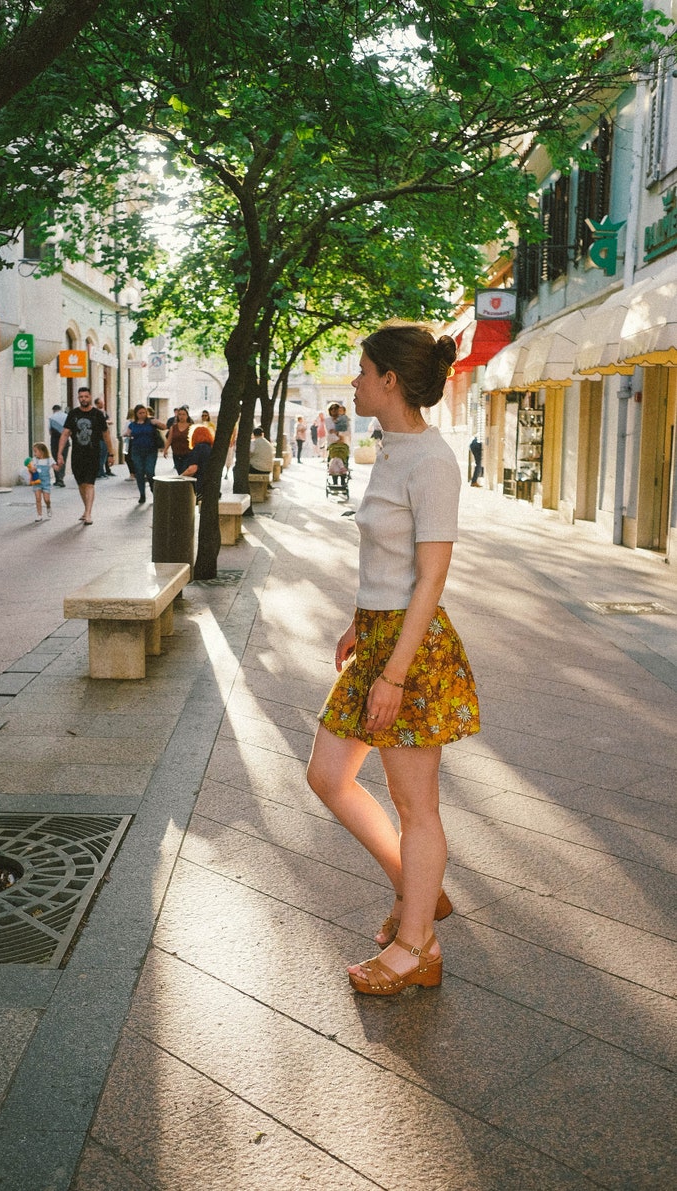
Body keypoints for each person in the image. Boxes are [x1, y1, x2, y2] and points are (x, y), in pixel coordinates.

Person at [306, 319, 480, 997]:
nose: (353, 379)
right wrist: (358, 621)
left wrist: (394, 672)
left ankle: (416, 945)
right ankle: (417, 891)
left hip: (411, 647)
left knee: (416, 805)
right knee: (328, 774)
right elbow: (387, 554)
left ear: (390, 381)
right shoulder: (389, 449)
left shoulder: (433, 461)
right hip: (377, 633)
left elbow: (431, 579)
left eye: (361, 369)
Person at [55, 386, 115, 525]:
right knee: (81, 484)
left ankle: (88, 513)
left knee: (89, 483)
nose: (83, 399)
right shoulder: (73, 414)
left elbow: (106, 434)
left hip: (93, 453)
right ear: (78, 398)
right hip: (77, 454)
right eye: (81, 397)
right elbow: (65, 433)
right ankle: (86, 509)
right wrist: (59, 454)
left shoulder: (97, 415)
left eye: (86, 396)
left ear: (90, 397)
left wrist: (111, 453)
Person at [124, 404, 166, 504]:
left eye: (144, 412)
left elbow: (164, 427)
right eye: (140, 413)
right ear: (136, 414)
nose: (142, 415)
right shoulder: (132, 424)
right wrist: (126, 434)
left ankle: (153, 491)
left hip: (150, 451)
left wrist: (156, 422)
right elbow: (127, 433)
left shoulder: (151, 422)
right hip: (136, 451)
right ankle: (142, 494)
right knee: (139, 472)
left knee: (150, 471)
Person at [181, 424, 215, 498]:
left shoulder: (198, 448)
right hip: (211, 486)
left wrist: (180, 477)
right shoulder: (211, 449)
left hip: (199, 486)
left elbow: (192, 469)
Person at [26, 442, 55, 522]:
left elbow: (56, 467)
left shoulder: (49, 460)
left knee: (46, 500)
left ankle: (48, 506)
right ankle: (39, 515)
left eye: (36, 451)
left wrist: (59, 465)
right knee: (38, 498)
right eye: (34, 451)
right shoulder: (34, 460)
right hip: (37, 482)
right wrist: (31, 469)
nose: (34, 454)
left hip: (46, 482)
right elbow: (30, 468)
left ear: (42, 451)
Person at [163, 406, 193, 473]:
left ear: (187, 416)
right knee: (180, 472)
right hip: (176, 454)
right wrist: (165, 449)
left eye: (183, 414)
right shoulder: (173, 428)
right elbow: (169, 440)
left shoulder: (191, 427)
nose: (181, 416)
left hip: (188, 454)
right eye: (180, 414)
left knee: (185, 472)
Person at [94, 397, 115, 477]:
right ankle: (99, 472)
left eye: (103, 402)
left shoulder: (104, 412)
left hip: (105, 436)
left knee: (104, 454)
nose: (103, 404)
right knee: (101, 455)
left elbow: (109, 420)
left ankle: (104, 471)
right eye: (101, 403)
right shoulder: (96, 413)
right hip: (99, 437)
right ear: (97, 404)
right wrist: (106, 421)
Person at [48, 405, 67, 486]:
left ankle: (58, 479)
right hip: (65, 441)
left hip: (55, 441)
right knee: (63, 459)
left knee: (56, 458)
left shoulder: (51, 418)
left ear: (54, 410)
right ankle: (61, 477)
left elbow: (50, 431)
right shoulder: (67, 416)